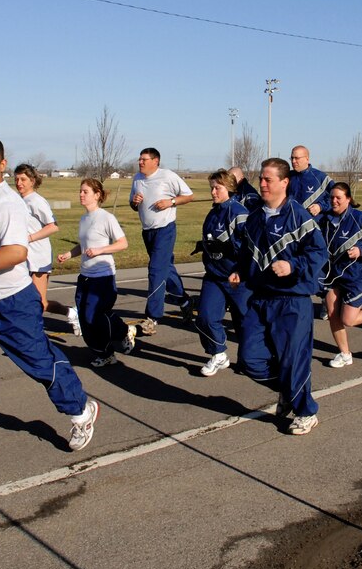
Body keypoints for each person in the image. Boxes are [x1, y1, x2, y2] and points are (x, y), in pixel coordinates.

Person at [0, 135, 98, 469]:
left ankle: (81, 410)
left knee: (41, 365)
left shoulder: (6, 202)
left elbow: (16, 252)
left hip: (13, 302)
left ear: (2, 164)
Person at [232, 158, 327, 435]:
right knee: (249, 359)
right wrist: (240, 270)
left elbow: (318, 253)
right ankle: (289, 389)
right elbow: (246, 253)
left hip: (292, 301)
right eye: (261, 178)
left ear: (284, 182)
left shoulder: (299, 216)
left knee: (292, 359)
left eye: (268, 179)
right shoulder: (255, 216)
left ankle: (306, 411)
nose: (262, 183)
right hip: (260, 298)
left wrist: (292, 266)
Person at [56, 179, 136, 367]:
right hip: (85, 276)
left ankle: (123, 332)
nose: (81, 195)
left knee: (94, 316)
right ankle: (106, 353)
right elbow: (84, 246)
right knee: (84, 318)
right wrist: (69, 254)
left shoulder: (106, 217)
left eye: (85, 191)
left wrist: (100, 250)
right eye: (80, 191)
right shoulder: (84, 219)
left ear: (97, 195)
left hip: (102, 277)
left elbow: (122, 243)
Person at [319, 182, 362, 368]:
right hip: (334, 275)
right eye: (332, 197)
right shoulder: (324, 220)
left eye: (338, 198)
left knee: (347, 320)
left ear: (348, 199)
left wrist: (361, 250)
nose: (334, 201)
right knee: (332, 311)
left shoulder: (361, 219)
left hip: (358, 274)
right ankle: (344, 353)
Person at [129, 147, 194, 335]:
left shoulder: (167, 176)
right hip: (147, 231)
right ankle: (185, 301)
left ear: (155, 161)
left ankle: (152, 317)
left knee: (156, 270)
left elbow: (189, 196)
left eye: (144, 159)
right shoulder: (137, 179)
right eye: (139, 159)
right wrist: (135, 202)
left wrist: (170, 202)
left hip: (165, 229)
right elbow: (133, 206)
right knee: (165, 269)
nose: (140, 162)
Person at [194, 170, 251, 376]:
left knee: (245, 323)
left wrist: (239, 269)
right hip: (214, 276)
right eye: (211, 188)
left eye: (217, 188)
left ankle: (250, 360)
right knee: (205, 318)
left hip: (237, 279)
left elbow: (248, 248)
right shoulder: (213, 212)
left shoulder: (239, 212)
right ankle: (218, 354)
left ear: (229, 188)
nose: (213, 192)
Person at [14, 163, 81, 336]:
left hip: (38, 257)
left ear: (32, 180)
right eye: (16, 179)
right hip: (23, 257)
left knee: (39, 303)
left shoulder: (36, 201)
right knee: (22, 298)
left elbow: (53, 226)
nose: (19, 183)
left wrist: (29, 238)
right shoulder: (19, 201)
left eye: (23, 179)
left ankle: (71, 313)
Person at [287, 145, 333, 218]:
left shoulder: (320, 177)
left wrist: (320, 206)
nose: (293, 161)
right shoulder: (287, 177)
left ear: (307, 159)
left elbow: (338, 199)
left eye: (297, 158)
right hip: (291, 224)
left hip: (314, 225)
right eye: (292, 158)